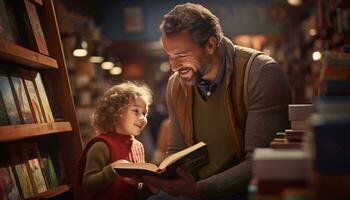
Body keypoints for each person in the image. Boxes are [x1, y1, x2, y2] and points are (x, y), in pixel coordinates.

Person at [142, 3, 291, 200]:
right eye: (170, 56)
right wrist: (158, 178)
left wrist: (198, 190)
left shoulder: (261, 73)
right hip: (196, 189)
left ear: (211, 45)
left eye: (181, 55)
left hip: (245, 191)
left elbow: (259, 163)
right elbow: (177, 151)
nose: (174, 67)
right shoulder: (176, 86)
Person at [77, 82, 152, 200]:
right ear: (115, 112)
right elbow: (88, 185)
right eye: (136, 111)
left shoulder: (139, 147)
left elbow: (137, 189)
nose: (143, 118)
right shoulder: (101, 146)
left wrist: (147, 187)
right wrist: (113, 169)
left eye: (144, 113)